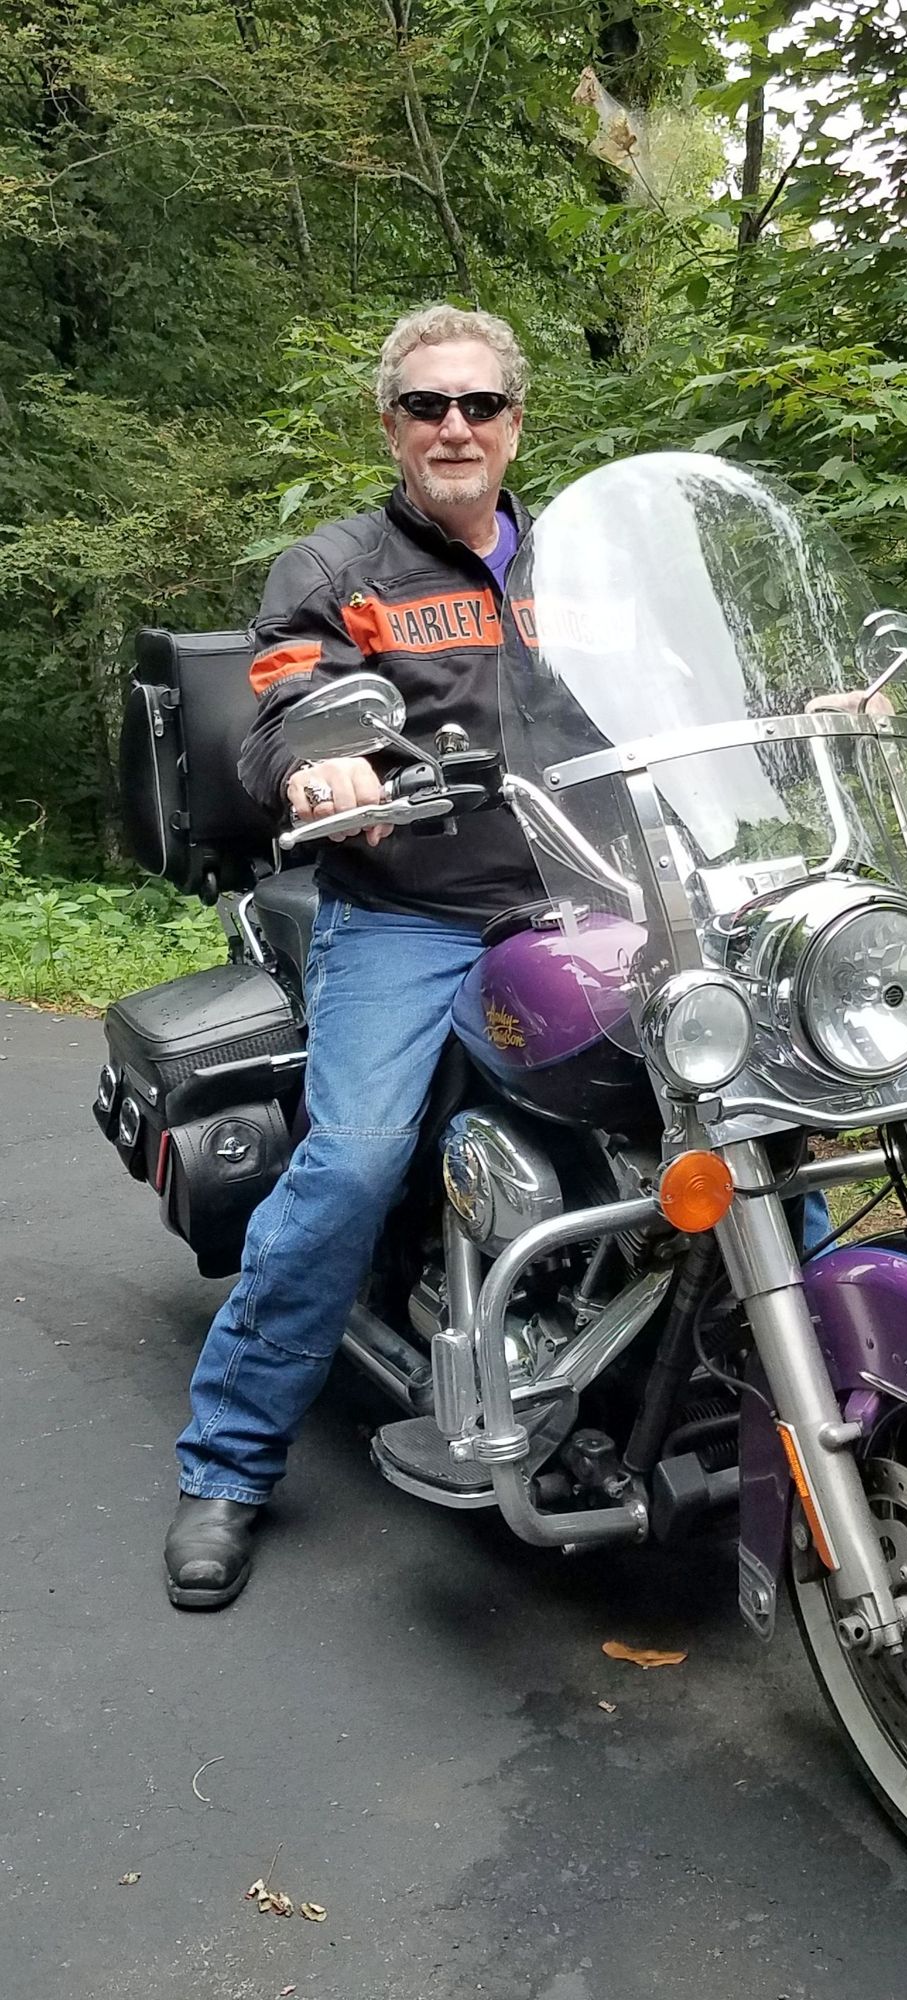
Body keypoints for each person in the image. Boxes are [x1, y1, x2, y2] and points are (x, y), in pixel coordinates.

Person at [165, 304, 543, 1609]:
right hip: (411, 912)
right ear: (392, 427)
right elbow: (278, 713)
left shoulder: (577, 565)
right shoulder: (334, 569)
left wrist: (790, 711)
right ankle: (227, 1463)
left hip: (583, 903)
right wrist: (322, 763)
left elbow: (670, 682)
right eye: (428, 405)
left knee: (753, 1092)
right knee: (355, 1164)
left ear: (514, 422)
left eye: (479, 404)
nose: (456, 426)